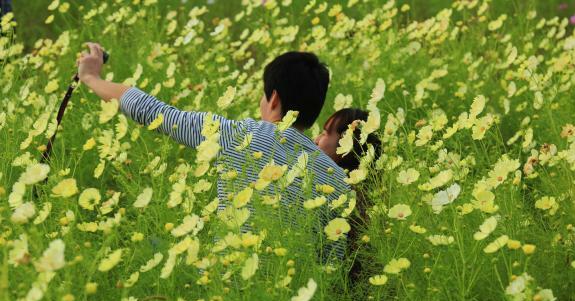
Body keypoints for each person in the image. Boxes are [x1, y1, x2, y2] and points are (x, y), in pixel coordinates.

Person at [77, 42, 350, 260]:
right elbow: (332, 263)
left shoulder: (238, 135)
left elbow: (151, 111)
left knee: (147, 245)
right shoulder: (340, 183)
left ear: (274, 98)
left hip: (226, 296)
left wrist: (90, 77)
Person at [314, 108, 382, 280]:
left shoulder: (347, 197)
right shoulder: (367, 192)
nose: (315, 140)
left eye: (324, 134)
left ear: (348, 142)